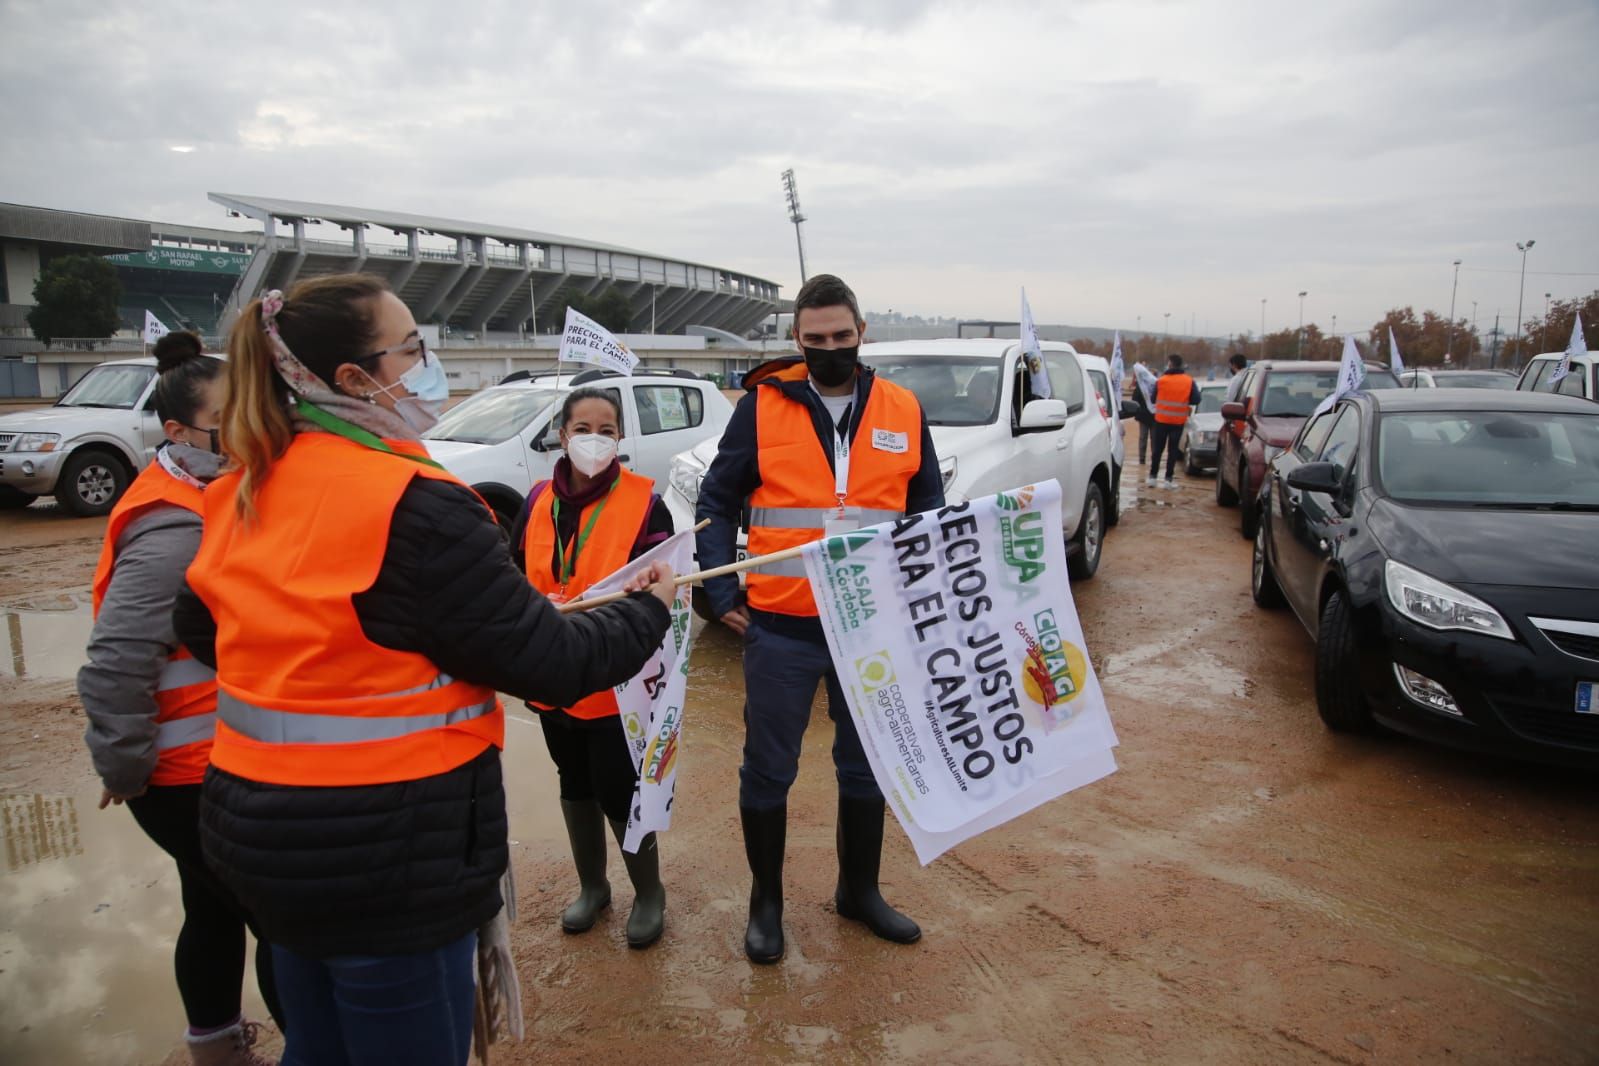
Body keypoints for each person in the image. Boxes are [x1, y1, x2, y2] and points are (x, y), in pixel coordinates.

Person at [172, 275, 674, 1066]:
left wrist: (339, 665)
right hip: (386, 858)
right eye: (412, 349)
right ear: (353, 379)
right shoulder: (413, 503)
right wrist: (650, 606)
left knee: (318, 1046)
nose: (428, 363)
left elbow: (203, 627)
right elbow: (551, 663)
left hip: (258, 839)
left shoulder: (244, 482)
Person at [696, 273, 945, 964]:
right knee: (766, 770)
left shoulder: (901, 408)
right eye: (814, 341)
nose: (829, 349)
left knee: (865, 769)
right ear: (796, 341)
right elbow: (717, 500)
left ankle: (858, 892)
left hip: (870, 629)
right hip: (781, 627)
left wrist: (923, 608)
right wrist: (722, 599)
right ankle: (765, 905)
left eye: (841, 337)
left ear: (862, 333)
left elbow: (926, 514)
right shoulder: (760, 408)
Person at [79, 331, 281, 1066]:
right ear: (177, 432)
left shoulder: (212, 495)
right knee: (279, 919)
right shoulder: (173, 525)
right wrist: (124, 766)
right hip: (187, 773)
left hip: (205, 763)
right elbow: (114, 661)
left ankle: (217, 1048)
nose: (251, 433)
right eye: (231, 423)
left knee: (213, 907)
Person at [509, 387, 675, 949]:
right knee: (572, 779)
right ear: (562, 435)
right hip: (553, 673)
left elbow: (663, 579)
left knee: (620, 788)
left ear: (620, 438)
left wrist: (647, 588)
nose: (594, 440)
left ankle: (648, 893)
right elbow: (512, 574)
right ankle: (593, 886)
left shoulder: (646, 502)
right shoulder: (536, 500)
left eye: (607, 430)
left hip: (615, 677)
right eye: (583, 428)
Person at [1149, 353, 1201, 489]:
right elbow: (1196, 399)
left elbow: (1153, 399)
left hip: (1160, 420)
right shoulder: (1189, 381)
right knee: (1173, 451)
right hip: (1178, 422)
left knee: (1157, 450)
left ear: (1170, 364)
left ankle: (1152, 477)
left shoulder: (1161, 380)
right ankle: (1168, 480)